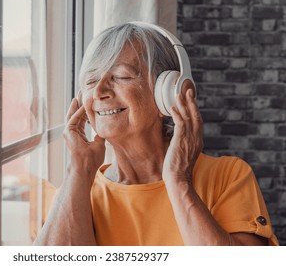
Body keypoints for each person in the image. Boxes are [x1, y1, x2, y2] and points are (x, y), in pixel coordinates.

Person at [34, 21, 279, 246]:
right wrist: (79, 168)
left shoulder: (229, 176)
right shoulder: (79, 190)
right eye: (90, 81)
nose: (98, 91)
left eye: (120, 76)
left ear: (169, 93)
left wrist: (178, 181)